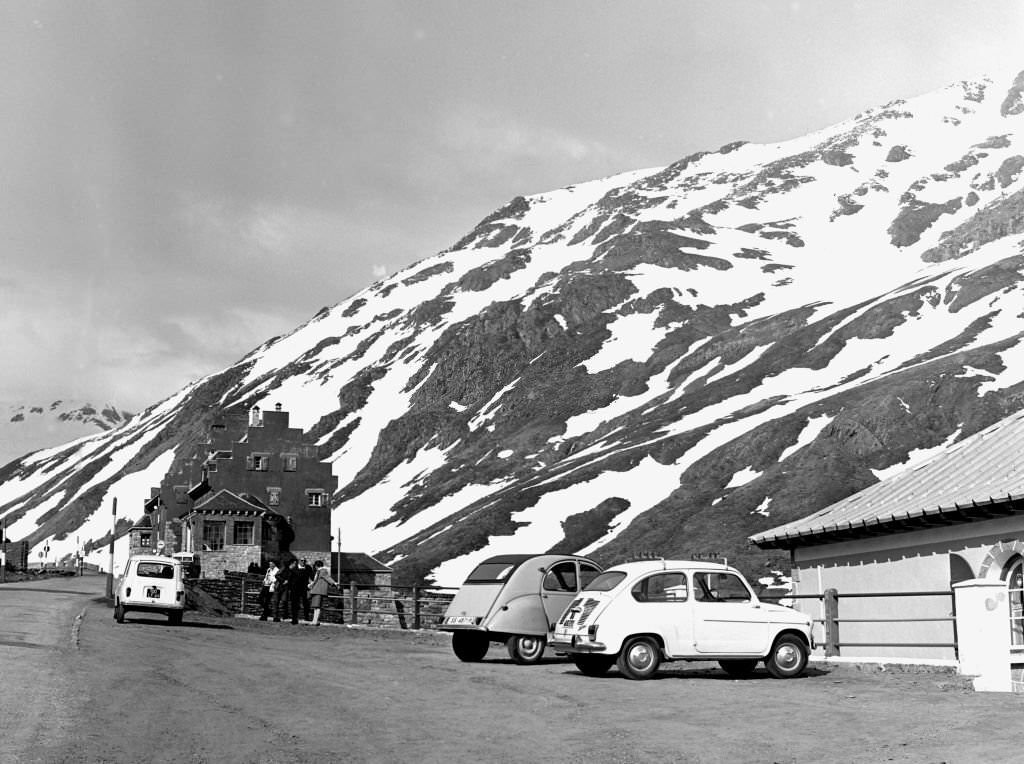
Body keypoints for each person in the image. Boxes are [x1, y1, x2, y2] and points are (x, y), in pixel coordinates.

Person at [308, 560, 338, 626]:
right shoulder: (321, 571)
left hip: (318, 591)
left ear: (316, 566)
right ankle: (315, 620)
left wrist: (334, 583)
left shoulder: (322, 571)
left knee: (317, 606)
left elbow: (327, 578)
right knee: (316, 606)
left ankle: (315, 621)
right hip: (318, 591)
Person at [285, 559, 308, 625]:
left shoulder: (307, 568)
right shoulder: (293, 569)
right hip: (294, 590)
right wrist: (290, 588)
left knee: (305, 604)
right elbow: (289, 579)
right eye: (301, 560)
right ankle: (294, 619)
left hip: (304, 589)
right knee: (294, 605)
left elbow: (309, 578)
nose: (303, 562)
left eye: (304, 561)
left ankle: (306, 618)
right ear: (299, 561)